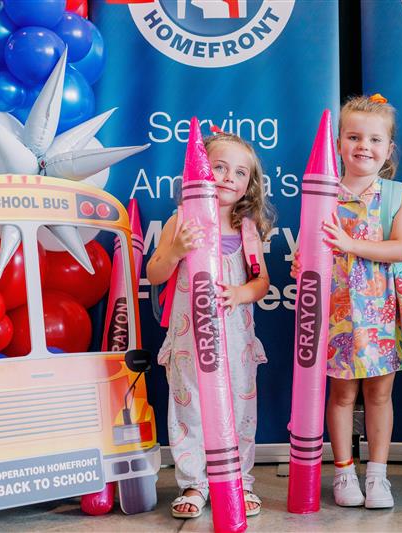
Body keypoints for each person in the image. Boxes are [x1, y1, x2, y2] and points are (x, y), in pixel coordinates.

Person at [292, 94, 402, 509]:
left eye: (374, 139)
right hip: (336, 311)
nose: (363, 146)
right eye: (354, 137)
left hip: (382, 310)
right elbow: (308, 247)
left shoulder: (395, 194)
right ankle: (344, 471)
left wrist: (350, 244)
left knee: (380, 396)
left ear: (389, 148)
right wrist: (301, 262)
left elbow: (399, 249)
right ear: (338, 143)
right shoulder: (324, 193)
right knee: (342, 395)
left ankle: (378, 475)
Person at [146, 132, 275, 519]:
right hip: (189, 343)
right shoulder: (181, 221)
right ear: (200, 171)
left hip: (236, 344)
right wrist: (175, 251)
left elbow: (261, 282)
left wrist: (241, 292)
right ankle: (194, 482)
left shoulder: (247, 229)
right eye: (219, 167)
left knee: (240, 408)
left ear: (249, 185)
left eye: (240, 173)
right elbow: (154, 273)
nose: (228, 177)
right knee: (189, 409)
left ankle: (238, 480)